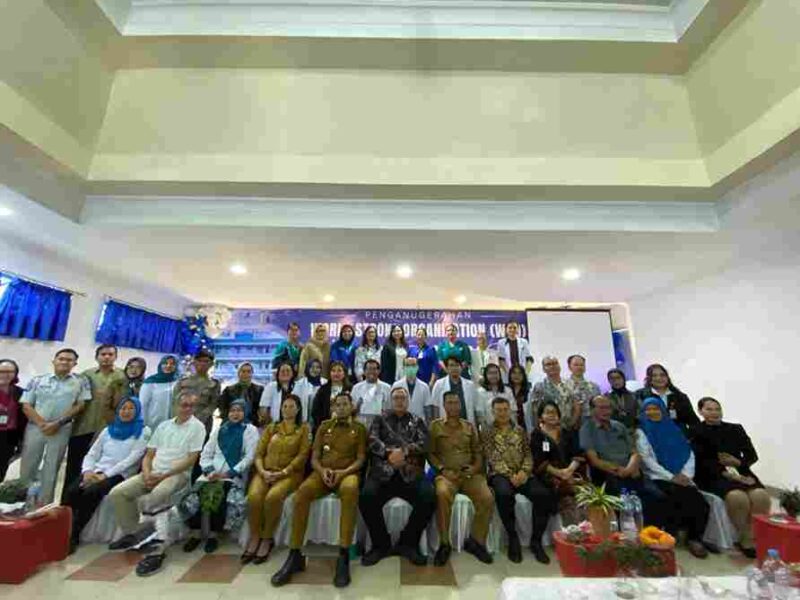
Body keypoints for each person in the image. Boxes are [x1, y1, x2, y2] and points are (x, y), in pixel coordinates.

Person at [271, 392, 367, 588]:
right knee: (301, 494)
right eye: (338, 404)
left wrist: (343, 472)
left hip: (347, 473)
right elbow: (314, 456)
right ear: (333, 408)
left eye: (345, 404)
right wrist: (322, 471)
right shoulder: (324, 426)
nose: (341, 408)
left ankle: (343, 555)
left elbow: (360, 459)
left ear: (352, 407)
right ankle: (295, 554)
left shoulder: (359, 429)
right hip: (322, 473)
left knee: (350, 490)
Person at [108, 391, 206, 576]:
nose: (187, 409)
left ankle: (157, 550)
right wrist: (147, 473)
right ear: (175, 406)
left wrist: (163, 476)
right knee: (118, 493)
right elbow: (149, 455)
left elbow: (191, 460)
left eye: (191, 406)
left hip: (176, 475)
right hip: (152, 472)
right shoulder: (163, 426)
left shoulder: (197, 427)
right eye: (184, 405)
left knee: (157, 496)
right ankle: (134, 533)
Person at [62, 398, 151, 553]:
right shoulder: (108, 430)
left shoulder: (144, 431)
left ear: (137, 411)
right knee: (72, 491)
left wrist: (105, 475)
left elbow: (132, 459)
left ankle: (74, 535)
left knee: (91, 493)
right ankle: (62, 530)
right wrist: (87, 471)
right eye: (123, 408)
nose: (126, 412)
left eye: (131, 408)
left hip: (120, 474)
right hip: (97, 471)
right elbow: (92, 454)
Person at [359, 387, 434, 567]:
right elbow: (372, 440)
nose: (399, 401)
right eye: (396, 398)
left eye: (403, 398)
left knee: (429, 496)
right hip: (383, 473)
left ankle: (408, 543)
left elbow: (425, 443)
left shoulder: (417, 420)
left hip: (410, 473)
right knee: (366, 497)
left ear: (408, 401)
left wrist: (404, 452)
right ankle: (381, 545)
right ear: (391, 401)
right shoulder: (380, 419)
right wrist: (388, 453)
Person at [690, 397, 771, 559]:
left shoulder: (735, 429)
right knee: (738, 497)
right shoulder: (696, 430)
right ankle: (744, 537)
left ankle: (755, 534)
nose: (714, 413)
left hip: (740, 471)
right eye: (709, 409)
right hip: (713, 475)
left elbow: (751, 455)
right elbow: (701, 460)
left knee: (760, 496)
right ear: (700, 411)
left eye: (717, 409)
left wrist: (738, 463)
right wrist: (730, 476)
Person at [179, 399, 259, 554]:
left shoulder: (250, 430)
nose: (235, 414)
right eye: (232, 410)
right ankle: (196, 533)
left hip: (233, 474)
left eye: (239, 410)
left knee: (218, 493)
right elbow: (206, 453)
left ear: (245, 412)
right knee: (195, 494)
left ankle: (213, 535)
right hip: (211, 473)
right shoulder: (220, 430)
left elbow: (249, 457)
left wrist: (228, 473)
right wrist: (209, 471)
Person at [482, 397, 555, 564]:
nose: (502, 413)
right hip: (500, 474)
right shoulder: (487, 431)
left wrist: (524, 471)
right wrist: (510, 475)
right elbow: (492, 457)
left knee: (543, 495)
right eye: (498, 410)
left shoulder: (520, 430)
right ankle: (513, 538)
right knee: (504, 494)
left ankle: (536, 541)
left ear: (510, 410)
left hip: (523, 474)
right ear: (492, 412)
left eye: (505, 409)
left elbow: (528, 454)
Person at [635, 398, 709, 559]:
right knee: (673, 496)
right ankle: (668, 537)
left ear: (663, 410)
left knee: (699, 501)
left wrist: (686, 475)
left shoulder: (675, 429)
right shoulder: (641, 432)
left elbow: (688, 453)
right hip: (657, 476)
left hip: (682, 475)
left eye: (656, 408)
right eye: (648, 409)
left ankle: (695, 539)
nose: (652, 412)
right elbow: (646, 459)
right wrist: (671, 476)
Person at [429, 391, 494, 566]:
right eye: (449, 403)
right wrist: (442, 469)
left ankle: (476, 541)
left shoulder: (469, 426)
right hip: (447, 475)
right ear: (444, 405)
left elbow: (478, 453)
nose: (453, 406)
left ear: (460, 405)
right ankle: (444, 544)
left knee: (487, 497)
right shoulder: (435, 426)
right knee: (442, 493)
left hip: (469, 475)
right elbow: (430, 454)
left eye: (456, 403)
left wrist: (474, 468)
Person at [244, 394, 311, 564]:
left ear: (298, 409)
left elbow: (303, 455)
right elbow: (259, 453)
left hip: (289, 474)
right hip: (265, 472)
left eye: (291, 406)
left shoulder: (303, 429)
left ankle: (267, 538)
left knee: (273, 497)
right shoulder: (272, 428)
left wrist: (284, 472)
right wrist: (262, 471)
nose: (287, 410)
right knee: (254, 497)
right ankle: (255, 536)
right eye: (285, 406)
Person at [19, 348, 91, 504]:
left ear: (74, 364)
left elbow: (80, 405)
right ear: (54, 361)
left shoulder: (80, 382)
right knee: (28, 465)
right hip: (35, 428)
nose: (64, 362)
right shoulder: (38, 380)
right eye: (61, 358)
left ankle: (44, 504)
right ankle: (21, 501)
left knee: (51, 468)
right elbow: (26, 405)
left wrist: (57, 423)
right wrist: (42, 424)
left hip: (61, 429)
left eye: (69, 360)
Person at [579, 395, 663, 524]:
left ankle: (651, 532)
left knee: (656, 497)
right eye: (602, 408)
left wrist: (630, 468)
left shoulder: (619, 426)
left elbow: (635, 453)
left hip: (631, 471)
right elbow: (595, 461)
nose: (606, 411)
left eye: (608, 407)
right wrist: (619, 470)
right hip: (609, 475)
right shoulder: (587, 429)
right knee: (624, 502)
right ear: (592, 410)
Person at [63, 345, 127, 501]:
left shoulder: (122, 376)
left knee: (99, 469)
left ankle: (88, 505)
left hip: (108, 430)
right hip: (83, 427)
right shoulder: (86, 375)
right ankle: (66, 504)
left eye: (110, 354)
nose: (106, 357)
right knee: (74, 468)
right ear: (97, 357)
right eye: (103, 354)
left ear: (115, 357)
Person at [531, 401, 584, 526]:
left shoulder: (567, 432)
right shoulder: (537, 435)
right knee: (564, 494)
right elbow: (539, 461)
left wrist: (569, 471)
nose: (551, 415)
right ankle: (570, 530)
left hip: (571, 473)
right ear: (541, 417)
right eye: (547, 412)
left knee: (585, 493)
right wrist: (560, 473)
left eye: (554, 412)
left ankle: (584, 528)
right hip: (548, 475)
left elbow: (578, 454)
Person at [635, 364, 699, 436]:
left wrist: (689, 437)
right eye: (654, 376)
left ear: (667, 377)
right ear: (649, 379)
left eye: (662, 375)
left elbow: (693, 421)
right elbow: (637, 419)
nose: (659, 378)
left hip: (678, 436)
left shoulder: (680, 396)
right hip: (652, 437)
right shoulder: (640, 395)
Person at [172, 349, 221, 436]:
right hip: (181, 420)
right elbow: (175, 401)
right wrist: (180, 417)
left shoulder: (214, 384)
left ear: (211, 364)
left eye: (206, 361)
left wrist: (198, 419)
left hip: (203, 423)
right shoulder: (183, 382)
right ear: (194, 362)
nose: (202, 364)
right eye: (199, 360)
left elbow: (213, 404)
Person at [531, 356, 580, 430]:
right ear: (544, 369)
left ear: (559, 366)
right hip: (548, 429)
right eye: (548, 364)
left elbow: (577, 406)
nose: (552, 366)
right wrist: (538, 429)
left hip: (568, 428)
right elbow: (535, 411)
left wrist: (571, 423)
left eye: (555, 363)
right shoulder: (539, 387)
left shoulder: (570, 384)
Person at [431, 356, 481, 426]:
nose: (454, 368)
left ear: (461, 368)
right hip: (445, 426)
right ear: (446, 368)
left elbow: (475, 408)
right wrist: (437, 426)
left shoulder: (470, 385)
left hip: (466, 426)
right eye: (451, 365)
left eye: (457, 365)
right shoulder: (439, 384)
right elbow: (435, 407)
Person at [0, 359, 26, 481]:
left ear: (15, 374)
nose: (5, 374)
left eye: (10, 371)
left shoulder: (20, 392)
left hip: (9, 435)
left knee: (2, 465)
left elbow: (24, 416)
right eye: (2, 371)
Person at [309, 361, 351, 435]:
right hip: (325, 428)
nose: (336, 373)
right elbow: (315, 411)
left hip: (346, 428)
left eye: (339, 371)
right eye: (333, 371)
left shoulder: (351, 389)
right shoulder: (323, 389)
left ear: (344, 373)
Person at [140, 355, 180, 431]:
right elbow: (143, 404)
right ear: (160, 365)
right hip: (152, 424)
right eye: (165, 363)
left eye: (172, 364)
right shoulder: (150, 382)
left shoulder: (178, 382)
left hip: (172, 425)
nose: (168, 366)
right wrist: (143, 424)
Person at [219, 362, 264, 427]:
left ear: (252, 374)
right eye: (243, 371)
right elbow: (223, 409)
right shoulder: (228, 390)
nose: (246, 374)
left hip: (253, 424)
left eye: (248, 372)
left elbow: (261, 409)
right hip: (231, 423)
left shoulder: (259, 390)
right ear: (238, 373)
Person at [351, 359, 392, 430]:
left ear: (379, 371)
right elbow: (352, 408)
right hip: (361, 423)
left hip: (381, 424)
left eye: (374, 369)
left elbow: (390, 408)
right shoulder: (356, 388)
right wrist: (357, 406)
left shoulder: (387, 388)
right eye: (369, 369)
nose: (372, 372)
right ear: (364, 371)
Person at [391, 356, 434, 422]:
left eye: (413, 365)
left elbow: (428, 409)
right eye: (408, 365)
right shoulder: (396, 385)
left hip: (419, 422)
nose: (410, 368)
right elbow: (392, 407)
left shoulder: (424, 387)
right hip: (400, 422)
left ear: (417, 367)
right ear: (403, 368)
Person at [564, 355, 602, 422]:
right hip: (572, 423)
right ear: (569, 367)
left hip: (592, 422)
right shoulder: (564, 386)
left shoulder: (594, 386)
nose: (579, 367)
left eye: (581, 365)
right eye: (576, 365)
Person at [508, 364, 533, 431]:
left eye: (520, 373)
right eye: (514, 373)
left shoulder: (529, 392)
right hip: (509, 425)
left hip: (525, 425)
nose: (517, 376)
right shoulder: (505, 391)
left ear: (524, 376)